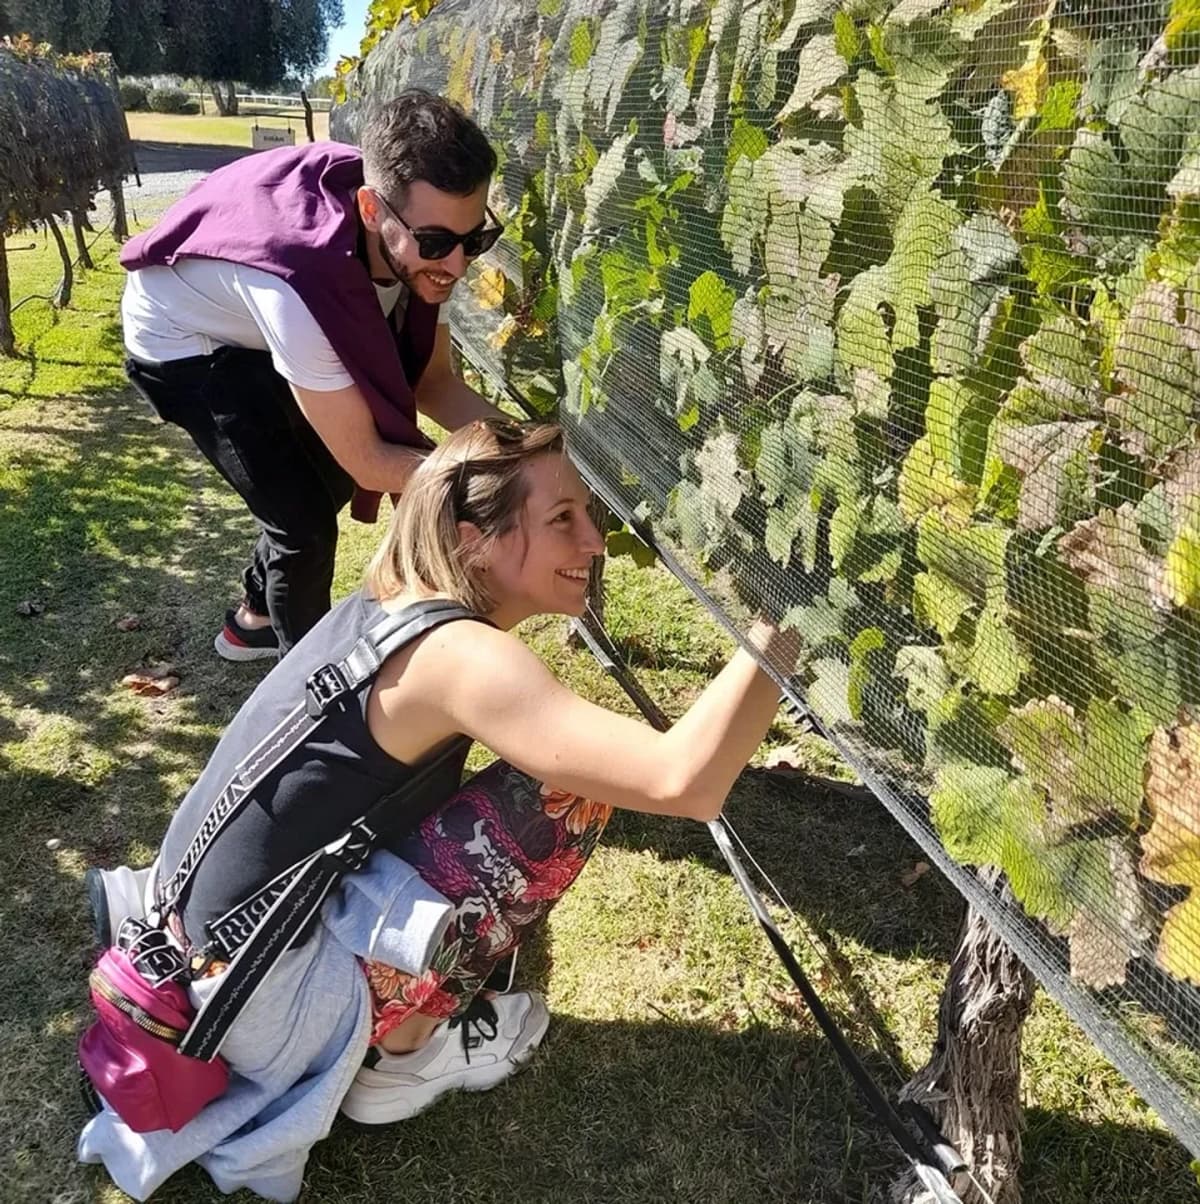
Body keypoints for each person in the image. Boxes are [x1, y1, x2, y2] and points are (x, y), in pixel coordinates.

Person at [79, 418, 798, 1201]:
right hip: (260, 1006)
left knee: (535, 774)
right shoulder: (463, 659)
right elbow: (681, 781)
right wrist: (787, 615)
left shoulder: (389, 602)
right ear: (473, 539)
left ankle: (392, 1021)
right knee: (567, 795)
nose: (593, 541)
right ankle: (405, 1055)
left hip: (193, 954)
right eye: (563, 519)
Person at [119, 89, 504, 662]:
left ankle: (252, 618)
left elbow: (432, 384)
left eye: (475, 240)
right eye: (437, 243)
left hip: (250, 320)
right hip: (181, 342)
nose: (456, 264)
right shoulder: (299, 282)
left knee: (328, 479)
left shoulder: (428, 247)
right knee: (302, 524)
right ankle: (307, 685)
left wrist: (529, 446)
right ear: (373, 211)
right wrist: (494, 481)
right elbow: (370, 458)